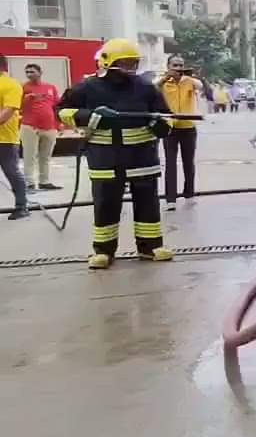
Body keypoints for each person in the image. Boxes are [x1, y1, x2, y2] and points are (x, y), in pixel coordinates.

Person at [57, 39, 174, 269]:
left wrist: (159, 124)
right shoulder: (87, 87)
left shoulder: (146, 87)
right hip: (105, 157)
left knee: (147, 202)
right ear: (108, 62)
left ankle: (150, 246)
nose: (130, 68)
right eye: (125, 63)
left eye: (133, 63)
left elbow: (166, 115)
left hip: (142, 156)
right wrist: (90, 116)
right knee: (106, 203)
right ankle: (103, 251)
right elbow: (61, 111)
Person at [158, 55, 200, 211]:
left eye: (180, 65)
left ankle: (189, 194)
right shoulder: (162, 82)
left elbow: (202, 87)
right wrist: (166, 78)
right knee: (170, 163)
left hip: (188, 126)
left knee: (188, 162)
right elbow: (151, 89)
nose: (178, 68)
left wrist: (190, 76)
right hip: (170, 127)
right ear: (168, 66)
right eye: (175, 65)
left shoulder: (189, 81)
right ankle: (171, 199)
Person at [20, 63, 61, 192]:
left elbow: (56, 106)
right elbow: (16, 106)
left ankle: (44, 181)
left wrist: (59, 124)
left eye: (32, 72)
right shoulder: (22, 88)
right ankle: (30, 183)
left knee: (45, 156)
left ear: (40, 72)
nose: (29, 74)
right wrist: (26, 98)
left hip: (49, 127)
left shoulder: (50, 88)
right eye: (27, 72)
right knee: (29, 156)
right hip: (30, 127)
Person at [0, 54, 28, 220]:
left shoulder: (11, 84)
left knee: (11, 172)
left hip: (5, 139)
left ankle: (21, 206)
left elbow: (7, 112)